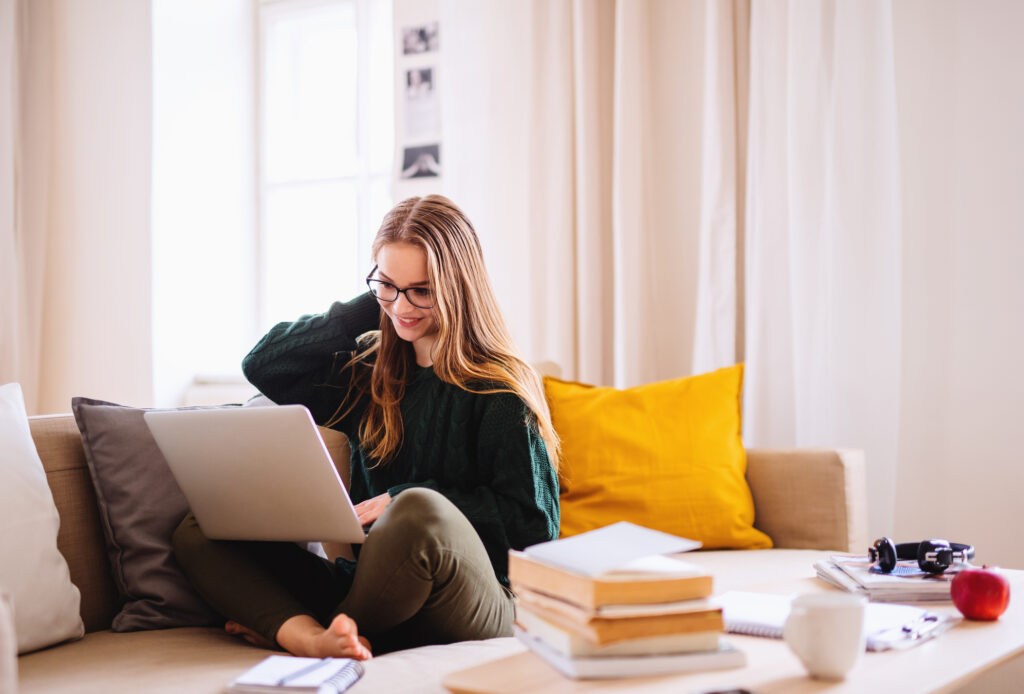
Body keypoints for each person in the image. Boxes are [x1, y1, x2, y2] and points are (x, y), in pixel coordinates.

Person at [172, 195, 561, 660]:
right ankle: (316, 637)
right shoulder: (368, 374)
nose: (403, 307)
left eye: (422, 290)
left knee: (418, 510)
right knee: (201, 528)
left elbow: (536, 530)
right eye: (387, 285)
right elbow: (265, 364)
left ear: (458, 287)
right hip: (374, 589)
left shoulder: (500, 390)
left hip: (480, 598)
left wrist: (405, 498)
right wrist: (374, 302)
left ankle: (327, 629)